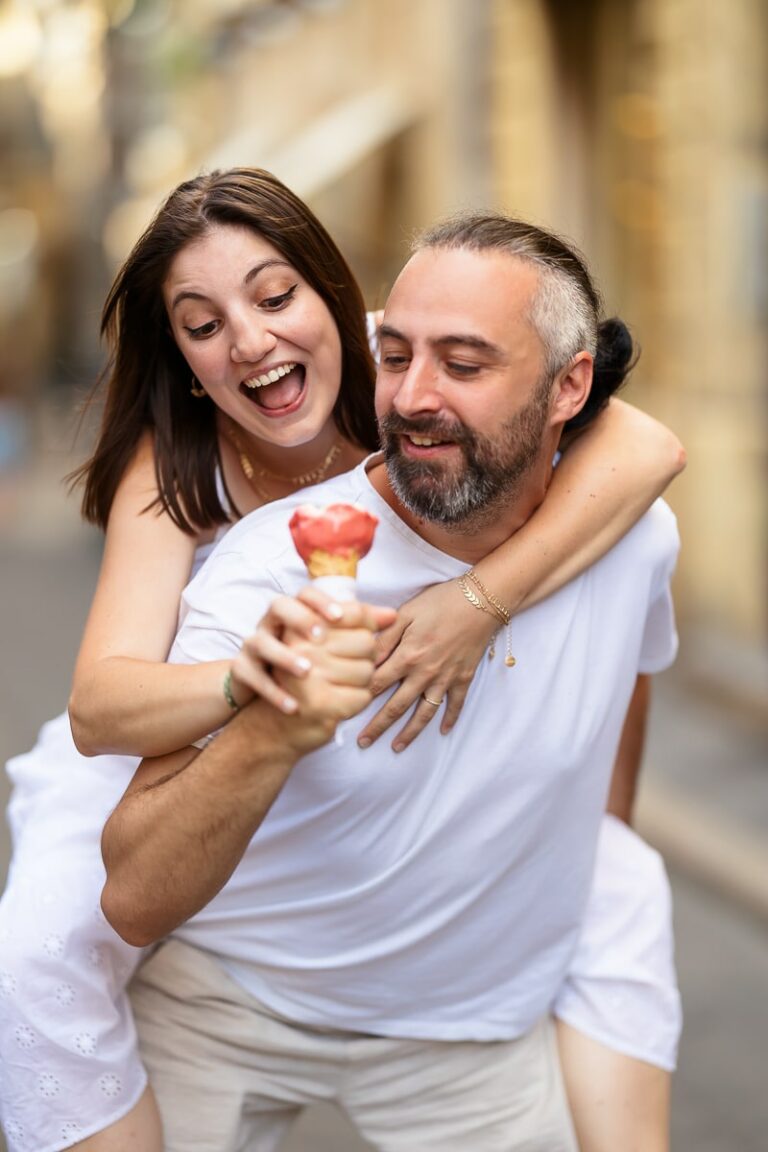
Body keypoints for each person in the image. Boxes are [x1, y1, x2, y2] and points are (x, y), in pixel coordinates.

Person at [0, 171, 681, 1152]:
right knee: (42, 951)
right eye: (202, 325)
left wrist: (476, 605)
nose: (249, 339)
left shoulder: (403, 366)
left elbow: (646, 452)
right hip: (164, 716)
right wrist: (253, 687)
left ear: (335, 300)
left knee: (618, 877)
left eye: (275, 298)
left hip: (437, 941)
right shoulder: (180, 469)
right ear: (185, 359)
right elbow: (103, 706)